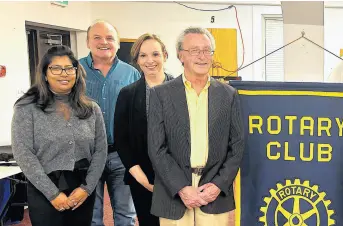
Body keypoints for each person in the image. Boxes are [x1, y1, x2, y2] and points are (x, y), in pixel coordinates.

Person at [147, 26, 244, 225]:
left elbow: (237, 145)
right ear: (180, 55)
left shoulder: (228, 94)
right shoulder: (161, 94)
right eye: (194, 51)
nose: (202, 56)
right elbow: (157, 148)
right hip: (174, 192)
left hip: (214, 192)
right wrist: (182, 188)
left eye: (206, 50)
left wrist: (218, 185)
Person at [11, 45, 107, 226]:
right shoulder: (27, 108)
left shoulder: (91, 109)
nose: (64, 73)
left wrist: (86, 189)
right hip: (44, 188)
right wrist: (53, 194)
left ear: (77, 73)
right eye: (56, 68)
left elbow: (101, 150)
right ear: (45, 74)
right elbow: (24, 154)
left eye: (69, 68)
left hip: (82, 188)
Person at [79, 20, 139, 226]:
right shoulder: (74, 71)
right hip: (87, 156)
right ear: (87, 42)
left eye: (110, 38)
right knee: (91, 217)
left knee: (126, 215)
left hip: (122, 156)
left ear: (118, 43)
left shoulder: (131, 73)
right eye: (97, 37)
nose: (104, 42)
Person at [114, 33, 174, 226]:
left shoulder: (183, 89)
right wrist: (143, 179)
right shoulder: (127, 94)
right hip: (143, 177)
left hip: (179, 178)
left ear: (165, 55)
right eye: (143, 55)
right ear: (137, 60)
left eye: (155, 54)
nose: (150, 61)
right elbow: (122, 140)